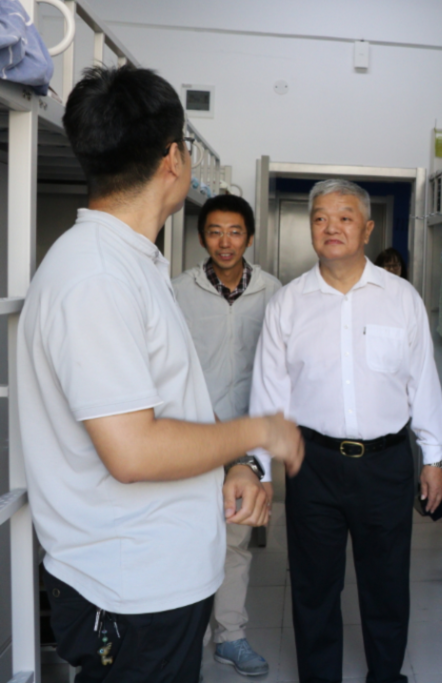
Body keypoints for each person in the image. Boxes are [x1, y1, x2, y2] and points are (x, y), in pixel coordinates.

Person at [17, 64, 304, 683]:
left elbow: (171, 403)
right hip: (129, 592)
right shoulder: (97, 278)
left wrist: (230, 464)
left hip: (156, 578)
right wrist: (259, 432)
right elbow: (133, 452)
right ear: (174, 159)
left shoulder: (134, 263)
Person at [250, 179, 442, 683]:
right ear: (311, 228)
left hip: (385, 465)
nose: (331, 227)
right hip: (313, 464)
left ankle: (386, 675)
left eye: (344, 217)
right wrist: (259, 470)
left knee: (386, 585)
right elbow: (268, 395)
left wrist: (434, 457)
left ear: (367, 228)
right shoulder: (288, 304)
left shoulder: (400, 298)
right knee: (314, 587)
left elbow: (422, 381)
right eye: (320, 217)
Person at [172, 193, 283, 676]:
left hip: (246, 439)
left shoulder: (274, 292)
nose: (225, 242)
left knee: (236, 540)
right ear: (202, 238)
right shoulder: (179, 291)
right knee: (191, 537)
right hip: (193, 437)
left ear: (249, 238)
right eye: (215, 232)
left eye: (235, 232)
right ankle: (187, 640)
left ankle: (230, 636)